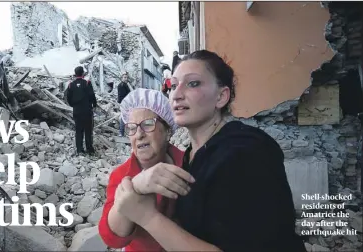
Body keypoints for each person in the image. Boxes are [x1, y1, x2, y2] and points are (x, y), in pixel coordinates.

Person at [112, 50, 306, 251]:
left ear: (221, 96)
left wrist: (147, 217)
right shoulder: (193, 155)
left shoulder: (246, 153)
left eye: (193, 83)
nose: (176, 94)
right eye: (173, 85)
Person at [99, 88, 195, 251]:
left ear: (168, 130)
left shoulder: (190, 165)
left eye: (148, 124)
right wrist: (135, 188)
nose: (139, 134)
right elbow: (112, 238)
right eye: (132, 128)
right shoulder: (122, 175)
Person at [65, 66, 97, 155]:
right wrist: (94, 105)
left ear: (75, 74)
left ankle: (79, 149)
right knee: (88, 130)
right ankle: (89, 149)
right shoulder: (87, 83)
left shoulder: (71, 84)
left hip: (77, 111)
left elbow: (68, 98)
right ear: (83, 73)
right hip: (87, 110)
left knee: (78, 130)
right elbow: (92, 96)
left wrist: (74, 105)